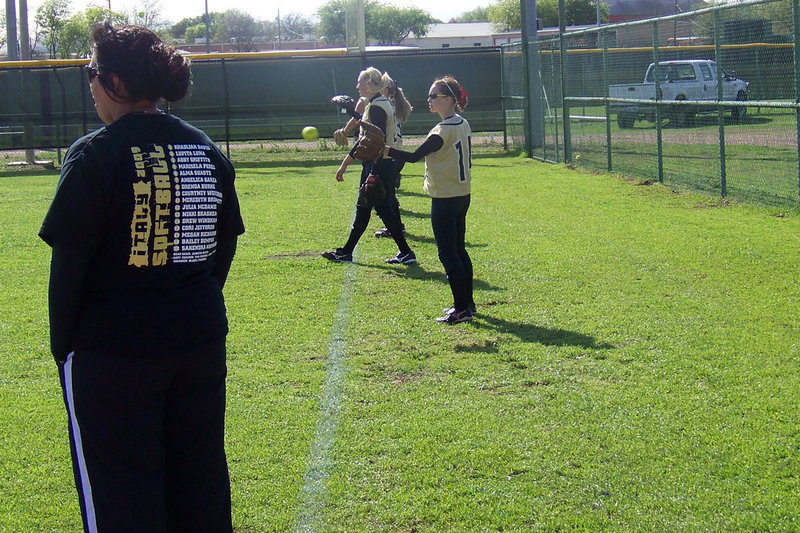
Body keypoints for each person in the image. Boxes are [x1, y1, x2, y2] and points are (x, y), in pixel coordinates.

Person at [38, 23, 244, 532]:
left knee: (121, 491)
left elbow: (69, 265)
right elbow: (226, 242)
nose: (89, 86)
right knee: (198, 479)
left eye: (91, 73)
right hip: (197, 339)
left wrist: (64, 347)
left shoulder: (95, 153)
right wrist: (187, 298)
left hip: (114, 351)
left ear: (116, 84)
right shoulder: (203, 148)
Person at [384, 76, 475, 324]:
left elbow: (413, 156)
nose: (429, 100)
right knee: (459, 249)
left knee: (448, 254)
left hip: (445, 197)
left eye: (434, 96)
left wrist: (385, 150)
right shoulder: (462, 123)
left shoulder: (442, 130)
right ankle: (467, 304)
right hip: (461, 194)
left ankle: (461, 309)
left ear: (448, 99)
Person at [322, 67, 416, 265]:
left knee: (367, 206)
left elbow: (375, 141)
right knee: (377, 209)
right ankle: (404, 252)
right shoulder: (377, 103)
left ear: (370, 84)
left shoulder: (375, 107)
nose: (357, 86)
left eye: (360, 82)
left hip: (380, 164)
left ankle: (347, 252)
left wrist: (352, 164)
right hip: (383, 163)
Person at [373, 76, 413, 239]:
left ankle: (396, 227)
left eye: (380, 85)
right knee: (389, 194)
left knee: (387, 195)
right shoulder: (392, 102)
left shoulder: (385, 103)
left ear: (387, 88)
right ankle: (396, 226)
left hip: (392, 153)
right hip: (398, 153)